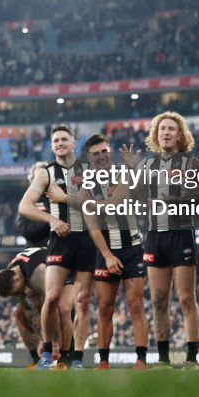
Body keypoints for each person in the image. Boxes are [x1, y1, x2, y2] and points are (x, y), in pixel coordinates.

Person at [18, 125, 95, 370]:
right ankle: (47, 352)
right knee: (51, 298)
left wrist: (64, 199)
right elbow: (24, 207)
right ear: (52, 147)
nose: (60, 143)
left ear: (74, 143)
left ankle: (76, 357)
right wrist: (52, 220)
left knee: (80, 303)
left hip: (87, 240)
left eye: (64, 139)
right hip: (59, 243)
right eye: (56, 141)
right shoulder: (46, 174)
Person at [135, 111, 199, 369]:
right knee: (158, 300)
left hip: (181, 234)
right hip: (154, 236)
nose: (166, 132)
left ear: (180, 135)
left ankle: (192, 359)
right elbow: (134, 197)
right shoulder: (146, 165)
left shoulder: (191, 163)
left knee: (186, 298)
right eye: (162, 129)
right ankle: (163, 359)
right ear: (156, 134)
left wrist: (170, 201)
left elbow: (197, 198)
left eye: (171, 129)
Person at [82, 135, 149, 370]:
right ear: (89, 158)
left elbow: (118, 203)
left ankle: (141, 360)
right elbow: (92, 226)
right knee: (104, 308)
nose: (101, 156)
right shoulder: (86, 185)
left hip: (132, 247)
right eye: (96, 153)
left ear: (110, 152)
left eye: (104, 151)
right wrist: (108, 255)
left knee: (136, 305)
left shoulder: (125, 174)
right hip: (106, 250)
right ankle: (103, 361)